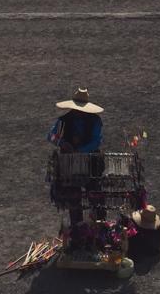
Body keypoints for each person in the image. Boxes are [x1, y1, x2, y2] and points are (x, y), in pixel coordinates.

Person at [47, 87, 105, 225]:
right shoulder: (64, 120)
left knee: (95, 193)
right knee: (73, 195)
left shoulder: (95, 121)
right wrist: (62, 142)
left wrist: (81, 151)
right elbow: (51, 136)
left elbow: (97, 141)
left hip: (90, 161)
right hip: (69, 163)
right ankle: (77, 228)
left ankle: (99, 225)